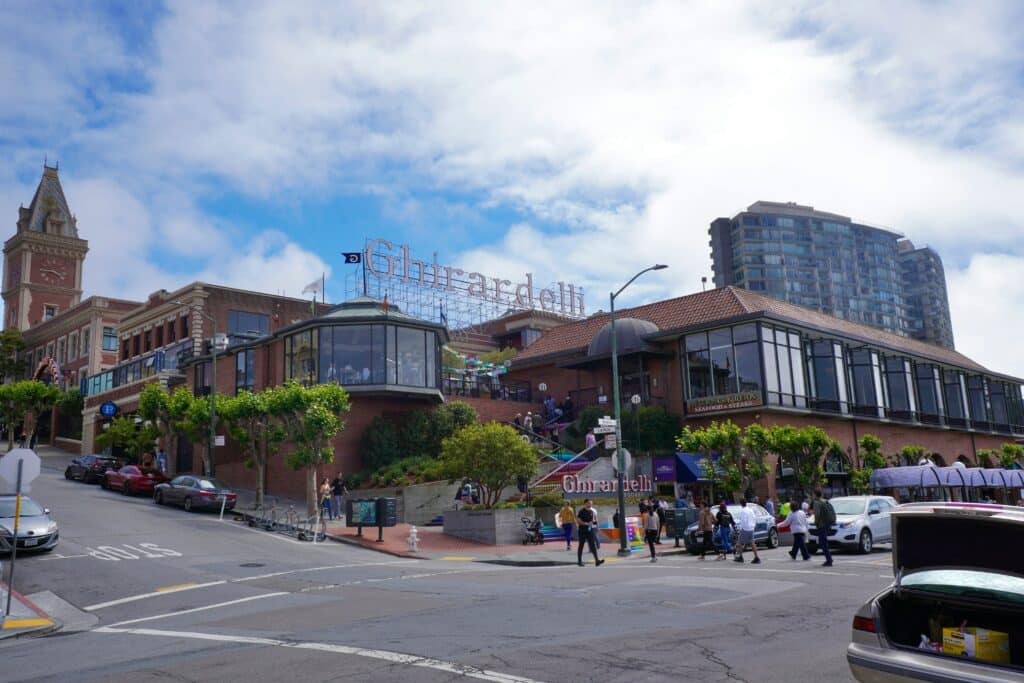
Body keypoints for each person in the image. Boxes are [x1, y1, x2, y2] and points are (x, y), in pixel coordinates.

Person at [576, 499, 604, 567]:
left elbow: (593, 520)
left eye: (591, 503)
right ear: (585, 503)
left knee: (593, 545)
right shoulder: (581, 511)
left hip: (590, 530)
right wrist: (585, 523)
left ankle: (597, 561)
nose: (590, 504)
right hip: (582, 531)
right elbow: (578, 520)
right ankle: (579, 561)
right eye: (589, 503)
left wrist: (595, 522)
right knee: (581, 545)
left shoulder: (591, 511)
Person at [812, 490, 836, 567]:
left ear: (815, 495)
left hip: (821, 524)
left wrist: (816, 523)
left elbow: (817, 514)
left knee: (823, 543)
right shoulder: (825, 501)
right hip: (827, 523)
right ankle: (829, 559)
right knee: (824, 542)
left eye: (813, 494)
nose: (812, 496)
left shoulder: (816, 503)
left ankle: (829, 560)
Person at [734, 499, 761, 564]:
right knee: (752, 543)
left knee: (740, 542)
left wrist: (741, 529)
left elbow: (743, 521)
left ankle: (740, 557)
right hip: (751, 528)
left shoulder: (743, 511)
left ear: (741, 504)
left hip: (745, 528)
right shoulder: (750, 510)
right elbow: (754, 518)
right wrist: (753, 526)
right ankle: (756, 557)